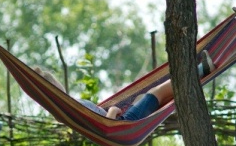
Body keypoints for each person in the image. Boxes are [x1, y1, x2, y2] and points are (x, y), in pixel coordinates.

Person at [34, 50, 215, 121]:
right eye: (56, 82)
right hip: (122, 125)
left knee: (150, 97)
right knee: (155, 93)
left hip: (121, 124)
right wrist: (112, 110)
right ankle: (201, 70)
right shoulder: (71, 107)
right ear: (54, 88)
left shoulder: (66, 109)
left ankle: (198, 73)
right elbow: (107, 124)